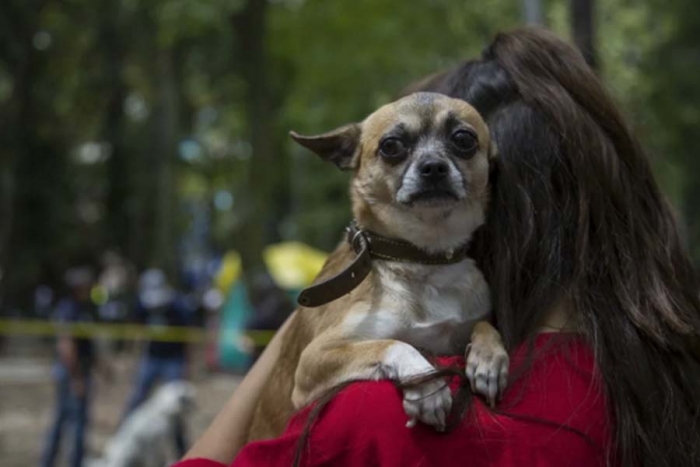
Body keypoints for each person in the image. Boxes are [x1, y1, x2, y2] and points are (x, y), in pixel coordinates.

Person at [176, 28, 700, 467]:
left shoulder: (374, 418)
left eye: (462, 143)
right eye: (397, 148)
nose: (429, 163)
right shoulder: (662, 373)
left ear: (499, 193)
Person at [120, 268, 196, 457]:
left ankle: (181, 452)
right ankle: (123, 442)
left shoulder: (177, 305)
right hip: (152, 357)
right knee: (137, 399)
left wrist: (187, 363)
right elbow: (135, 327)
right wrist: (130, 354)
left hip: (173, 359)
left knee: (175, 409)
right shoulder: (142, 304)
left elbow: (187, 336)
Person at [41, 267, 99, 467]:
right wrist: (77, 378)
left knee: (64, 420)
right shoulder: (70, 309)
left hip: (77, 371)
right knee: (74, 424)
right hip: (73, 373)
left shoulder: (82, 308)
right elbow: (66, 346)